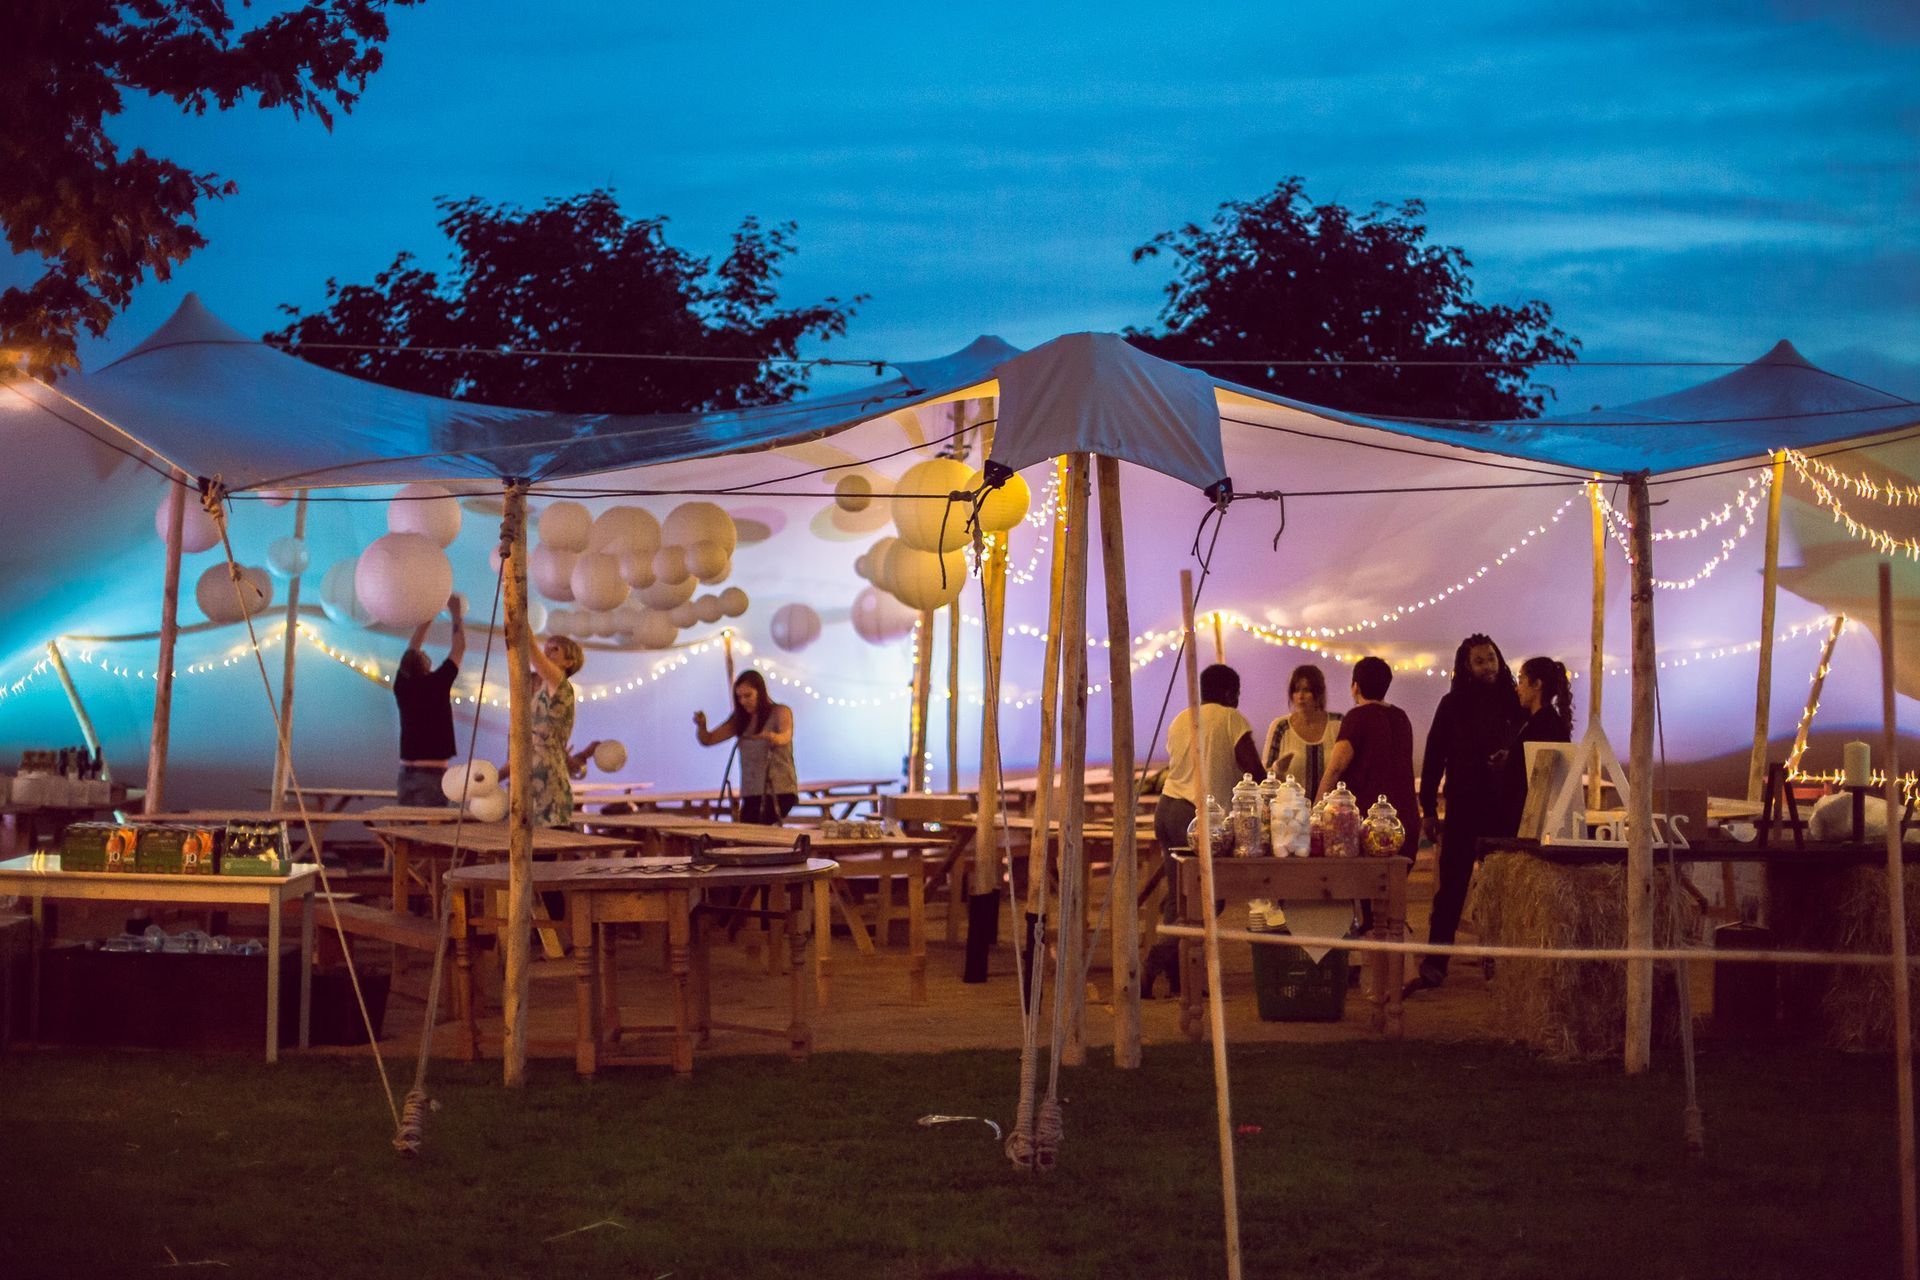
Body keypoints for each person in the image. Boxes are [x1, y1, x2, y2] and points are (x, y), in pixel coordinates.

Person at [1410, 633, 1522, 993]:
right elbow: (1434, 756)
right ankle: (1436, 962)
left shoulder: (1514, 701)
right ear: (1466, 666)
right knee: (1451, 888)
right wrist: (1428, 807)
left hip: (1504, 809)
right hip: (1463, 807)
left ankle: (1497, 961)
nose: (1488, 666)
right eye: (1480, 660)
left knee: (1500, 886)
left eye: (1492, 658)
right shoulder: (1452, 704)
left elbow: (1530, 747)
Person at [1144, 663, 1265, 997]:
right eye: (1236, 693)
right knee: (1210, 898)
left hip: (1167, 809)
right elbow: (1253, 769)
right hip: (1196, 816)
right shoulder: (1231, 718)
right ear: (1229, 692)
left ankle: (1178, 975)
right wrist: (1274, 785)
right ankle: (1157, 960)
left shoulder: (1181, 718)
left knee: (1180, 897)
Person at [1317, 656, 1418, 942]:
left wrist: (1317, 806)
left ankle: (1377, 960)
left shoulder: (1357, 717)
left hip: (1369, 826)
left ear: (1355, 686)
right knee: (1387, 902)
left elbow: (1336, 767)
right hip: (1405, 821)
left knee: (1369, 906)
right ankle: (1393, 959)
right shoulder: (1401, 718)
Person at [498, 634, 583, 828]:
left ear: (569, 662)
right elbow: (524, 750)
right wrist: (493, 778)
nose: (547, 652)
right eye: (547, 648)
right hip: (524, 785)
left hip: (548, 786)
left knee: (544, 844)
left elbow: (533, 653)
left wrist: (523, 627)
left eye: (555, 649)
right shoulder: (535, 695)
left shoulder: (560, 684)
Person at [391, 595, 466, 807]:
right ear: (425, 664)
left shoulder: (402, 685)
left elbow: (412, 649)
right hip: (432, 774)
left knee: (407, 827)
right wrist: (456, 613)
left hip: (405, 772)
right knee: (429, 827)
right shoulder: (437, 683)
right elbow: (459, 648)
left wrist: (430, 614)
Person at [695, 670, 797, 824]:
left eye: (748, 696)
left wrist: (771, 737)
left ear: (760, 692)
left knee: (757, 828)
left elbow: (786, 735)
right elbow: (708, 740)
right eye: (739, 697)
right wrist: (702, 726)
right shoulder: (740, 719)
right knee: (746, 829)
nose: (743, 701)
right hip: (751, 792)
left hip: (779, 790)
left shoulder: (780, 712)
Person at [1492, 656, 1575, 834]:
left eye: (1521, 681)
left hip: (1531, 822)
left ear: (1537, 684)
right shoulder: (1539, 721)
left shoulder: (1545, 725)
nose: (1517, 688)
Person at [1262, 663, 1343, 798]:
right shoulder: (1281, 727)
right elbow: (1265, 776)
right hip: (1290, 808)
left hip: (1332, 808)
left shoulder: (1337, 724)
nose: (1300, 696)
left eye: (1306, 690)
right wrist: (1278, 768)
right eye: (1296, 690)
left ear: (1318, 693)